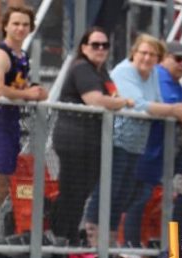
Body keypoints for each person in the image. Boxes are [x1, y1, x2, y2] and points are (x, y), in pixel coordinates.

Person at [83, 34, 182, 248]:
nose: (147, 58)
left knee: (123, 193)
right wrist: (174, 109)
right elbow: (138, 104)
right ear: (134, 53)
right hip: (115, 139)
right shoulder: (124, 71)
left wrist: (175, 109)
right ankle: (92, 239)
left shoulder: (152, 73)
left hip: (136, 144)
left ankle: (111, 241)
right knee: (108, 188)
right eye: (143, 53)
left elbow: (156, 102)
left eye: (153, 54)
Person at [0, 5, 47, 243]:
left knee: (2, 186)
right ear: (5, 25)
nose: (20, 28)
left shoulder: (22, 56)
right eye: (15, 23)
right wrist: (29, 94)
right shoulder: (0, 54)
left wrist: (32, 91)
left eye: (25, 24)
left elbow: (17, 87)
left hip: (10, 123)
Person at [50, 27, 132, 245]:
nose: (101, 49)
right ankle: (59, 237)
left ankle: (67, 238)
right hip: (75, 139)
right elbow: (95, 100)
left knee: (80, 191)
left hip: (92, 141)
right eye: (95, 45)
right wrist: (122, 102)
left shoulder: (101, 71)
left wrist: (117, 101)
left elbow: (111, 96)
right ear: (84, 47)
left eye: (105, 45)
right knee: (72, 189)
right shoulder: (82, 68)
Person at [124, 41, 182, 247]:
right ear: (164, 59)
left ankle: (178, 243)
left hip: (169, 150)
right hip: (148, 149)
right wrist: (180, 109)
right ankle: (131, 246)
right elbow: (171, 106)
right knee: (139, 197)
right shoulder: (159, 76)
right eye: (177, 59)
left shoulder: (176, 83)